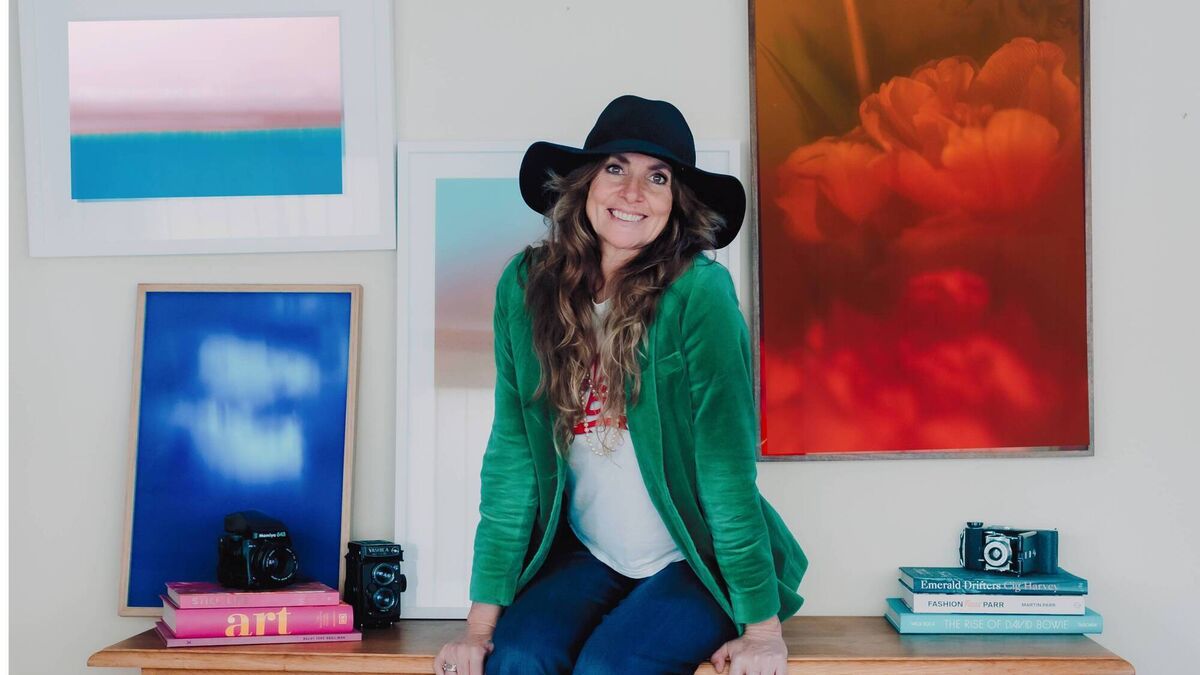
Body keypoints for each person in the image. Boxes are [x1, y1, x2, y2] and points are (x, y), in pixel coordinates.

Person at [435, 95, 807, 675]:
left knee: (612, 666)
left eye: (657, 178)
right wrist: (479, 629)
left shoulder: (700, 294)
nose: (633, 192)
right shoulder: (527, 288)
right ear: (585, 183)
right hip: (592, 552)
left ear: (675, 203)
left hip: (693, 556)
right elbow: (513, 458)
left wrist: (763, 632)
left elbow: (726, 470)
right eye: (616, 168)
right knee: (520, 656)